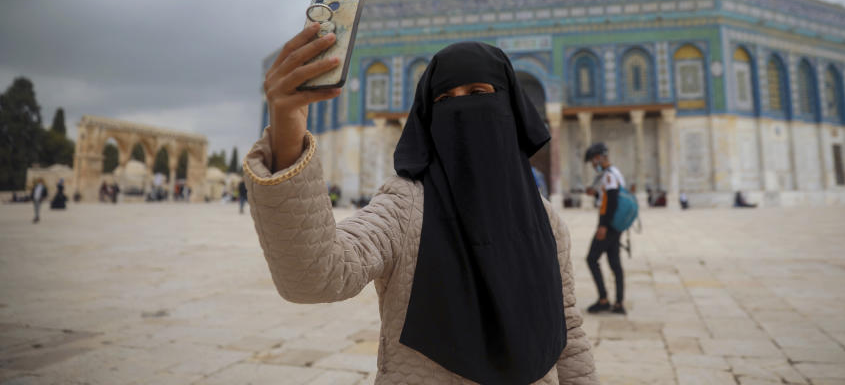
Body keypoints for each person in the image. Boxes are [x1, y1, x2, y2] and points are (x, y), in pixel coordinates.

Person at [245, 31, 597, 385]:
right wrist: (287, 131)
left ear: (509, 106)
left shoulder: (546, 223)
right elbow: (316, 277)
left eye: (477, 94)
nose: (462, 110)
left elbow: (568, 336)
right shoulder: (406, 208)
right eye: (444, 99)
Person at [583, 142, 626, 315]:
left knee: (592, 259)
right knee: (614, 263)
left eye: (593, 160)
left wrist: (603, 226)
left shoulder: (609, 176)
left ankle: (603, 299)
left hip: (608, 224)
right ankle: (619, 304)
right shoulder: (613, 173)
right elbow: (607, 197)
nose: (593, 164)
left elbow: (612, 202)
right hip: (615, 224)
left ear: (599, 157)